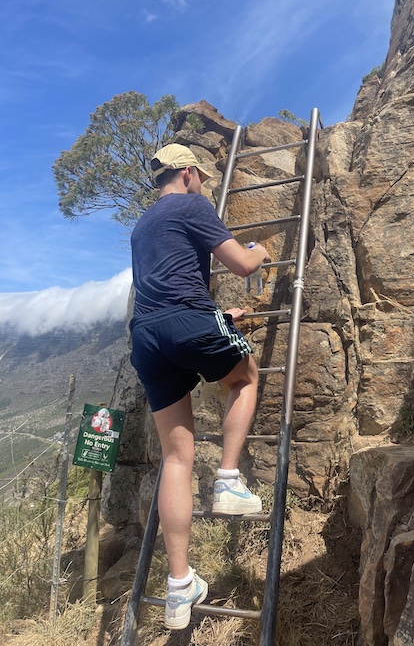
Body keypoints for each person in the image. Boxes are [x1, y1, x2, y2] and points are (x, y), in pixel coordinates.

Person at [129, 143, 270, 630]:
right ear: (188, 173)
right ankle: (229, 480)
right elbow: (243, 266)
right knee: (247, 377)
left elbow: (165, 290)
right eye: (202, 178)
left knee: (176, 457)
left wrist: (217, 318)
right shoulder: (191, 204)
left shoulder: (141, 226)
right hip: (186, 321)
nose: (205, 185)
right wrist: (261, 250)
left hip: (146, 336)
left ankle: (178, 585)